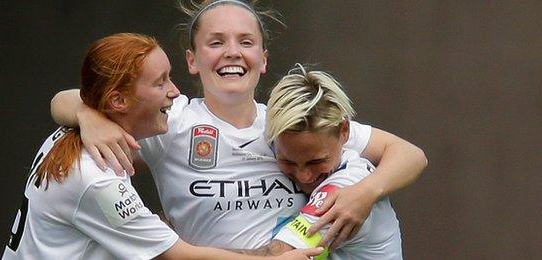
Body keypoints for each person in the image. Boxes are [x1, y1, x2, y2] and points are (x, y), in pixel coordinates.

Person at [50, 0, 427, 250]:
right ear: (192, 60)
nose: (232, 51)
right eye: (216, 42)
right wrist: (89, 116)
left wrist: (367, 191)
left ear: (263, 59)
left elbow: (409, 154)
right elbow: (62, 99)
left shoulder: (290, 125)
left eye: (245, 42)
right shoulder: (170, 123)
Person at [2, 33, 321, 260]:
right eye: (160, 82)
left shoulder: (71, 133)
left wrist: (87, 113)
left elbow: (64, 102)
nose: (175, 91)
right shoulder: (96, 178)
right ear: (118, 100)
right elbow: (176, 256)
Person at [260, 64, 403, 259]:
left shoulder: (345, 189)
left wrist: (202, 253)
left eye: (315, 162)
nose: (304, 176)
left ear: (344, 131)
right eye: (288, 161)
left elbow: (275, 255)